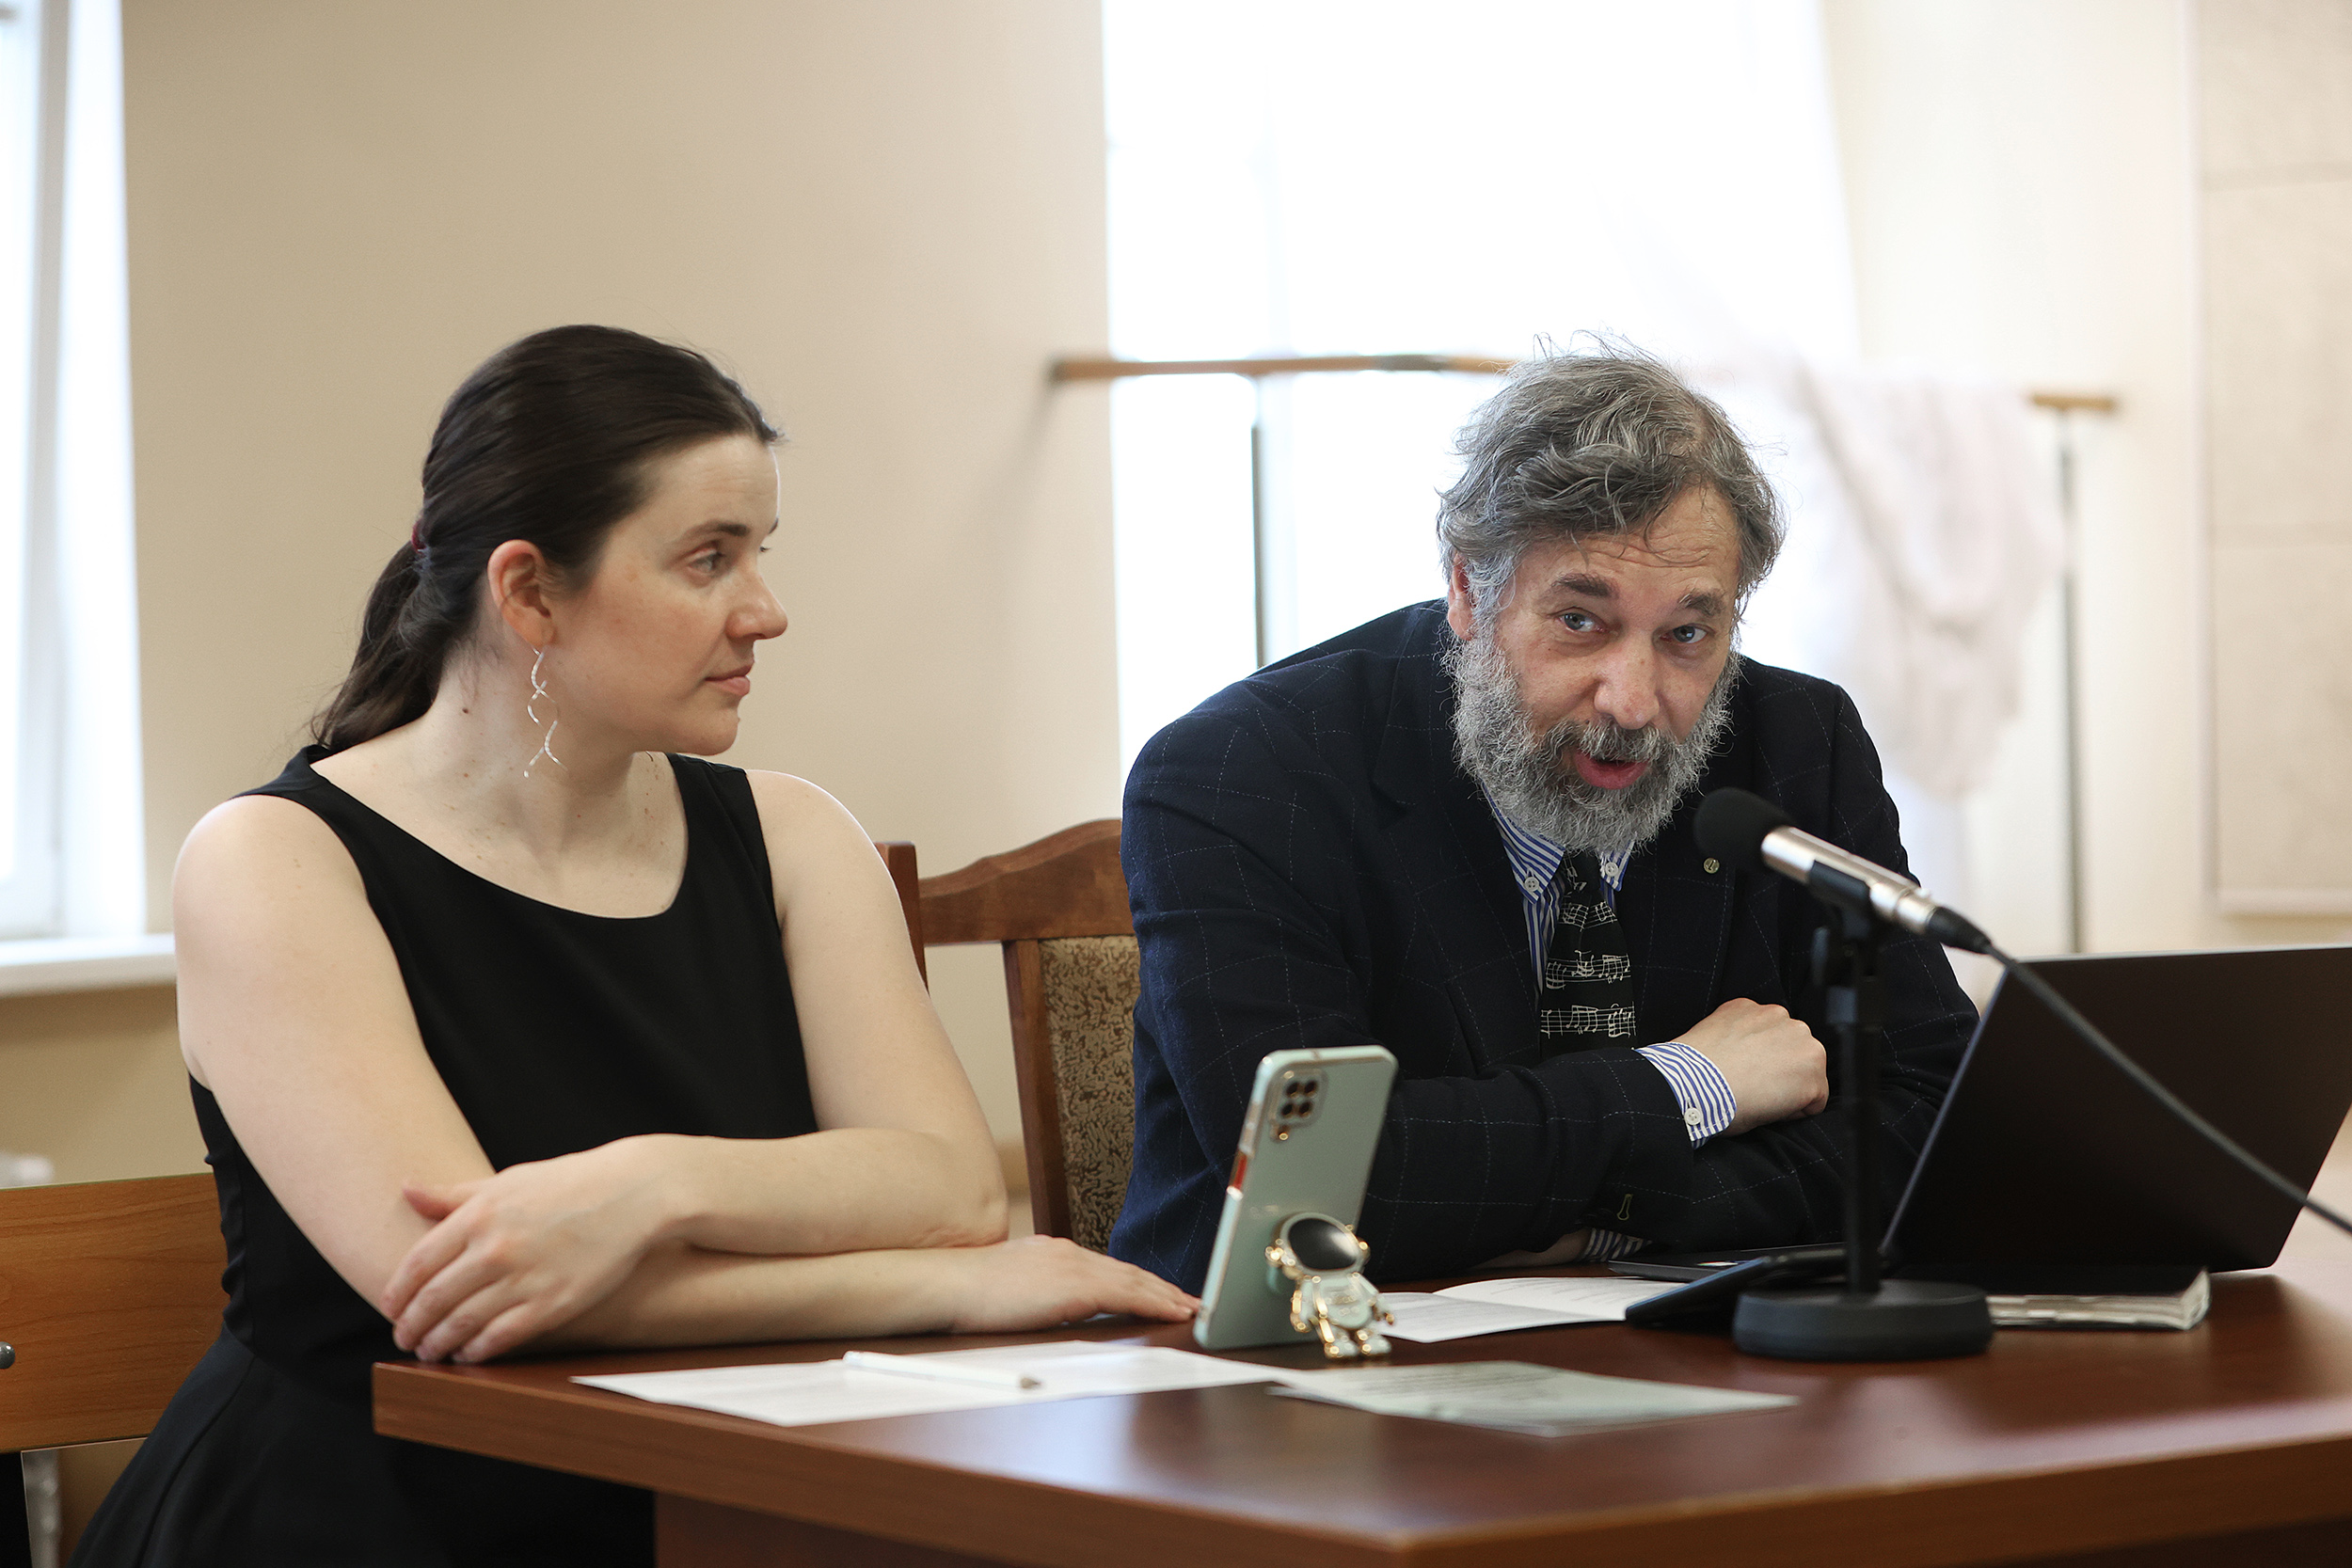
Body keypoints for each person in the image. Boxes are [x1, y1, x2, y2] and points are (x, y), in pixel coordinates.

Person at [72, 325, 1193, 1568]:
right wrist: (940, 1286)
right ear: (529, 592)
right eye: (708, 558)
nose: (765, 610)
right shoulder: (272, 860)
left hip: (709, 1496)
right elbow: (469, 1296)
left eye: (759, 553)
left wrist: (651, 1186)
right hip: (361, 1515)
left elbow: (948, 1187)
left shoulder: (793, 835)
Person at [1109, 347, 1978, 1292]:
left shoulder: (1797, 743)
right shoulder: (1247, 773)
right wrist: (1693, 1082)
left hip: (1674, 1344)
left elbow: (1937, 1117)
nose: (1633, 701)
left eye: (1688, 634)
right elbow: (1318, 1180)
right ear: (1467, 590)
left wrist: (1613, 1224)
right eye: (1579, 622)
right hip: (1276, 1350)